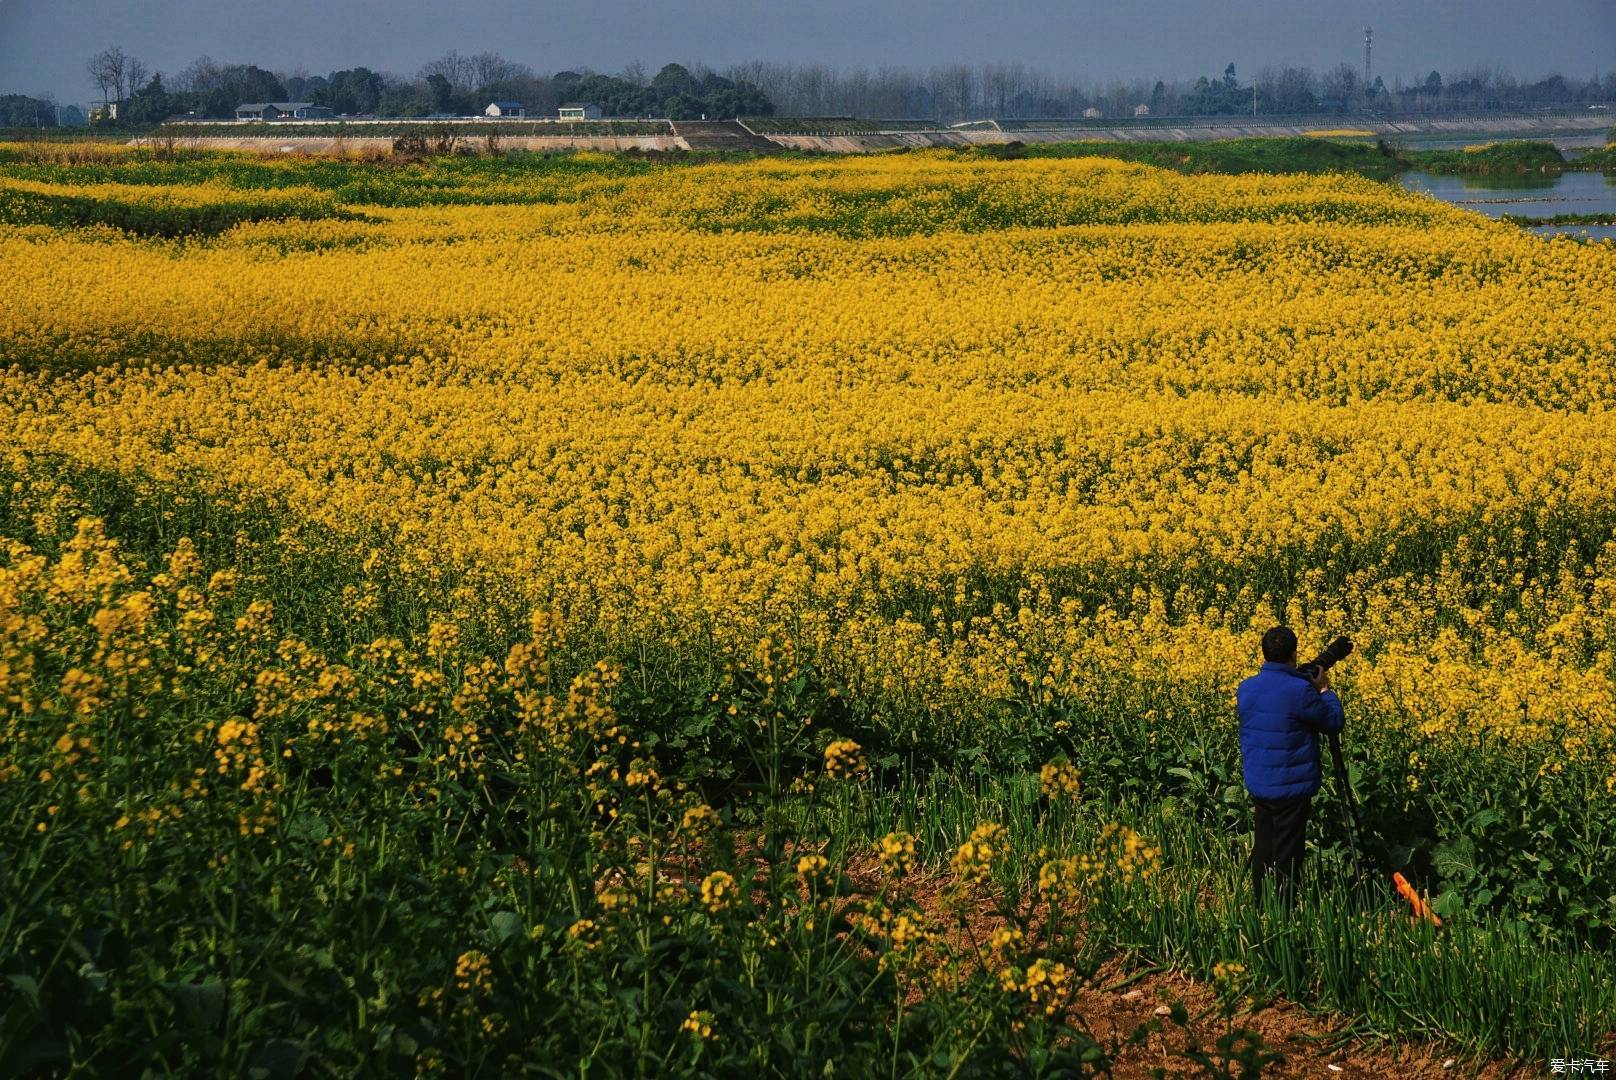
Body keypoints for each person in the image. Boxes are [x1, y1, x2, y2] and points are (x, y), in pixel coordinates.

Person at [1236, 625, 1345, 900]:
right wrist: (1324, 691)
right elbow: (1332, 723)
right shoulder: (1301, 691)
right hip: (1291, 786)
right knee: (1288, 851)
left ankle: (1261, 904)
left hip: (1260, 782)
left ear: (1264, 654)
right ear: (1294, 654)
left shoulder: (1246, 688)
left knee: (1264, 846)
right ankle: (1283, 910)